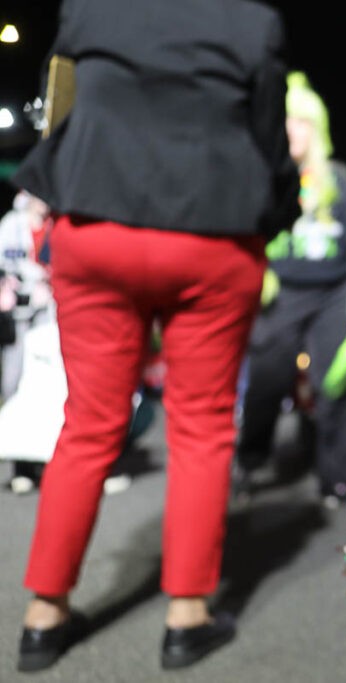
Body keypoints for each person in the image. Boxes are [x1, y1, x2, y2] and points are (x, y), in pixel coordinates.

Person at [11, 0, 299, 672]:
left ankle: (44, 616)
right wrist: (278, 209)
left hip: (97, 223)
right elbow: (269, 137)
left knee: (86, 425)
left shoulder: (91, 10)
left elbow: (59, 109)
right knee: (199, 426)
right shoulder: (251, 22)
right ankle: (186, 615)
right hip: (213, 231)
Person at [234, 72, 346, 508]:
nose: (290, 130)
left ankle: (335, 478)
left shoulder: (337, 176)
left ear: (315, 128)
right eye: (285, 122)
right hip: (282, 291)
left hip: (334, 290)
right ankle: (251, 457)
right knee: (268, 376)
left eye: (299, 122)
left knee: (333, 380)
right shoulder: (266, 175)